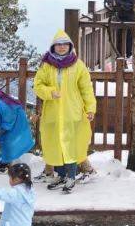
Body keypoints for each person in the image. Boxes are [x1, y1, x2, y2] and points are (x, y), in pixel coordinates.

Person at [34, 30, 96, 193]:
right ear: (53, 47)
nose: (61, 47)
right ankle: (61, 175)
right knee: (56, 145)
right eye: (58, 45)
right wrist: (50, 92)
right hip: (53, 114)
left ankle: (71, 176)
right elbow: (38, 86)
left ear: (70, 46)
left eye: (64, 44)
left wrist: (90, 108)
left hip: (73, 112)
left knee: (72, 144)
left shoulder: (78, 65)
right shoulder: (46, 65)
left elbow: (86, 89)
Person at [0, 89, 34, 170]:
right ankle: (6, 161)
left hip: (14, 121)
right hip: (16, 118)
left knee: (8, 140)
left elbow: (8, 115)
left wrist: (5, 127)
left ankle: (6, 164)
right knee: (8, 140)